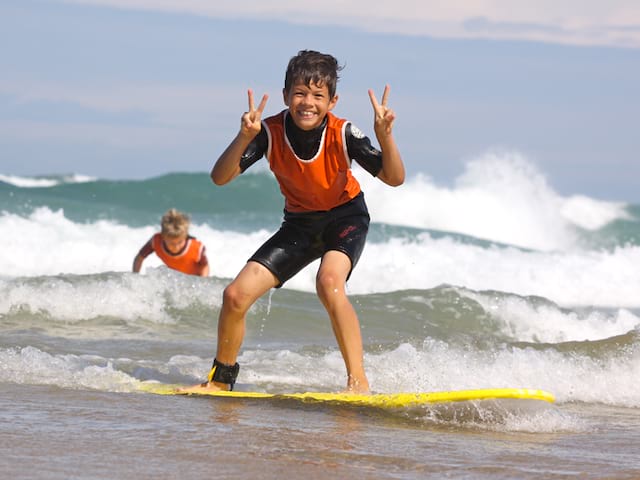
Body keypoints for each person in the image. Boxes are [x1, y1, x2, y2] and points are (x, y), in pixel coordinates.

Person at [182, 49, 404, 394]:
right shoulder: (268, 131)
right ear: (286, 95)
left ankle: (358, 382)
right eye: (300, 93)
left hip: (345, 218)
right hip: (299, 225)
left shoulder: (343, 132)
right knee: (235, 296)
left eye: (318, 95)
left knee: (329, 282)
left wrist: (385, 134)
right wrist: (244, 136)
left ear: (332, 101)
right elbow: (220, 177)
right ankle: (221, 381)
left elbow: (394, 178)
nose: (307, 102)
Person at [133, 208, 210, 277]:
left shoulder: (196, 247)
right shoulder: (156, 241)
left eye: (180, 242)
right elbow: (139, 258)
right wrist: (135, 277)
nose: (176, 247)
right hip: (176, 280)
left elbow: (205, 266)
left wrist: (202, 283)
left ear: (185, 237)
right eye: (172, 243)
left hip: (194, 280)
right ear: (163, 237)